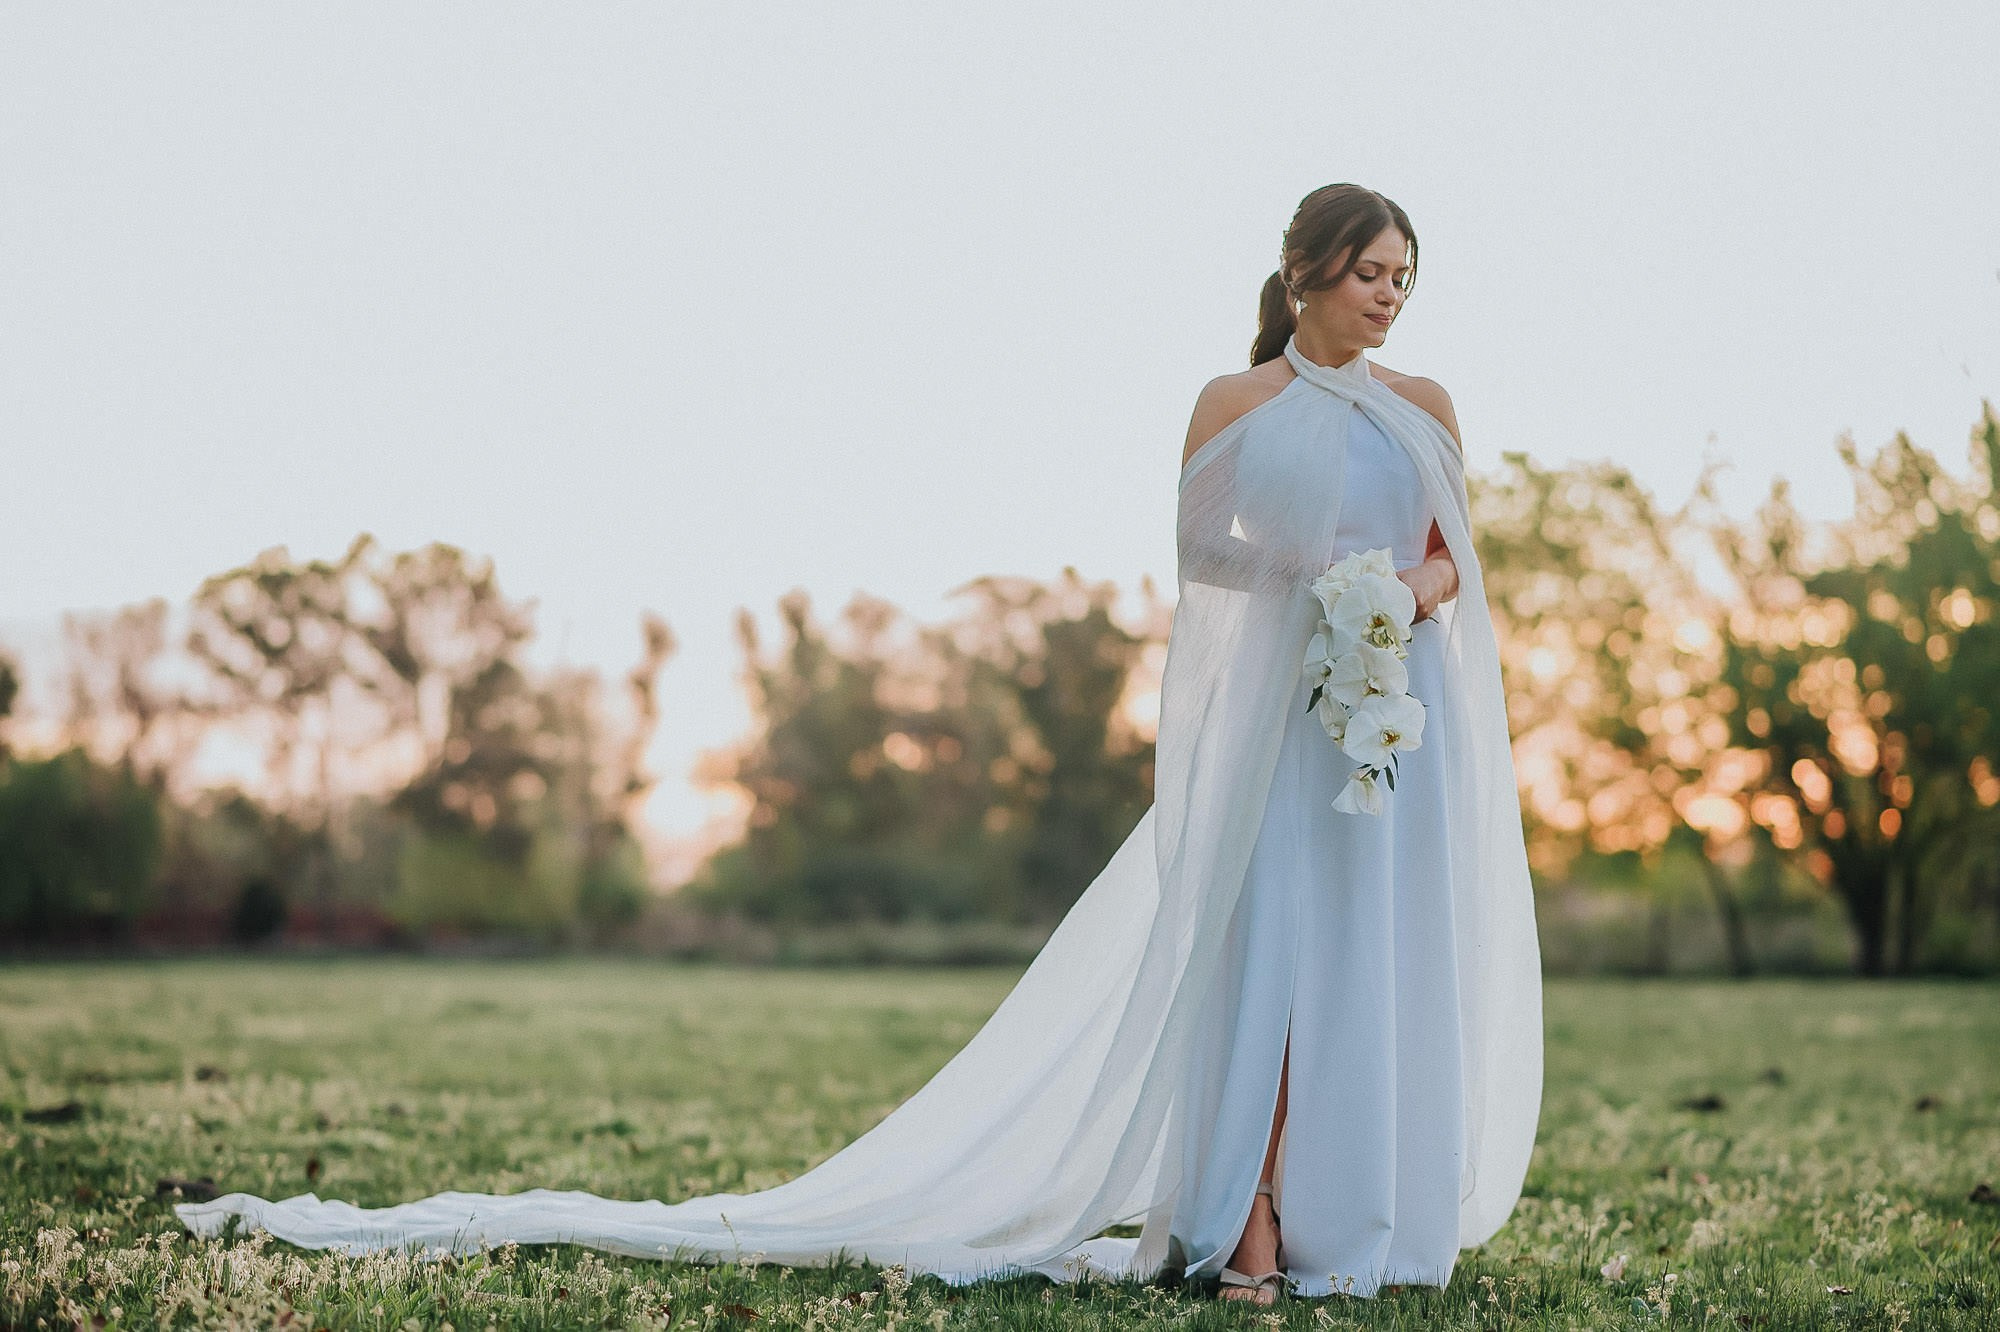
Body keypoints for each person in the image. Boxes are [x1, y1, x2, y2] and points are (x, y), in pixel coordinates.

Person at [178, 184, 1543, 1305]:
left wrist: (1396, 600)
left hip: (1385, 723)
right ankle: (1246, 1218)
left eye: (1406, 276)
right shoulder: (1232, 406)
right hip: (1277, 739)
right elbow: (1206, 557)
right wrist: (1319, 581)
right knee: (1275, 961)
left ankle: (1354, 1212)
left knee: (1372, 955)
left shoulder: (1427, 405)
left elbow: (1449, 558)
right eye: (1372, 270)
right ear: (1305, 271)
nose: (1391, 295)